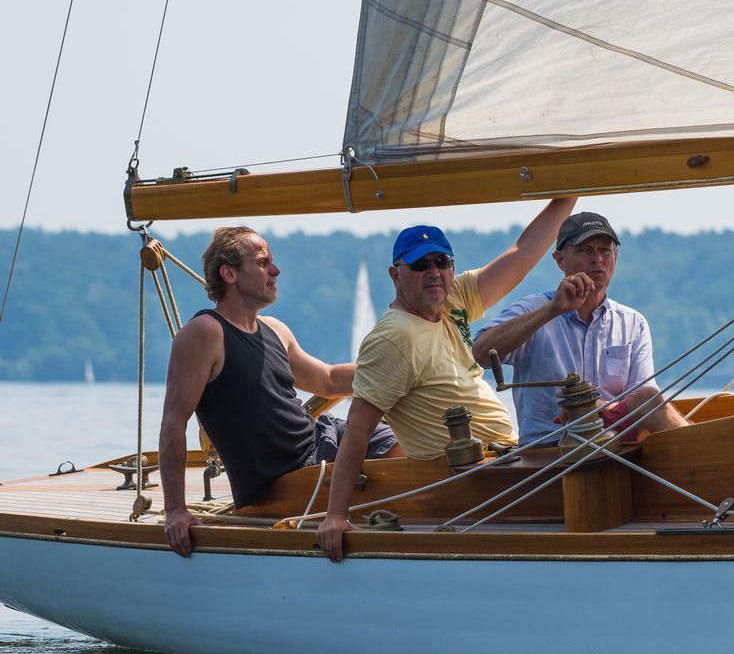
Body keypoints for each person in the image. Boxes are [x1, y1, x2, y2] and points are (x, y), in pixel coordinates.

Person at [317, 197, 577, 561]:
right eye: (420, 264)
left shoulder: (452, 301)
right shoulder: (394, 338)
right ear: (395, 275)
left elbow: (523, 254)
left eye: (442, 262)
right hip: (462, 487)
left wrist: (570, 193)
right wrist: (335, 515)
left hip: (502, 466)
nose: (434, 272)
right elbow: (358, 429)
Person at [158, 227, 399, 557]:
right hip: (288, 478)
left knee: (415, 448)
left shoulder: (274, 329)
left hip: (325, 442)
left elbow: (328, 380)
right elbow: (173, 421)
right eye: (262, 263)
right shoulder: (204, 334)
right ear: (229, 273)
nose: (275, 270)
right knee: (406, 469)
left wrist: (398, 368)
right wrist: (175, 510)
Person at [471, 211, 688, 445]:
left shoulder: (633, 323)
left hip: (618, 445)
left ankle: (705, 452)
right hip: (549, 450)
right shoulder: (534, 310)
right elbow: (480, 352)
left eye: (605, 250)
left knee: (648, 399)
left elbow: (642, 404)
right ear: (559, 260)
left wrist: (594, 406)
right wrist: (552, 310)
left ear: (615, 256)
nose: (597, 259)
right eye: (584, 250)